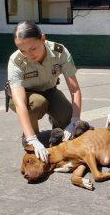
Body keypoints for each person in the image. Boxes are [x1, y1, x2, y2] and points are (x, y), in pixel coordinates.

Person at [7, 21, 82, 163]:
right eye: (22, 50)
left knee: (67, 116)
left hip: (49, 90)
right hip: (27, 96)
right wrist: (31, 138)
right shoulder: (15, 61)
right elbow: (20, 103)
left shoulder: (59, 52)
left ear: (42, 38)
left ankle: (56, 130)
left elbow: (75, 90)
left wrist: (75, 120)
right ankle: (30, 135)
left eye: (33, 48)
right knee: (37, 103)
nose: (28, 54)